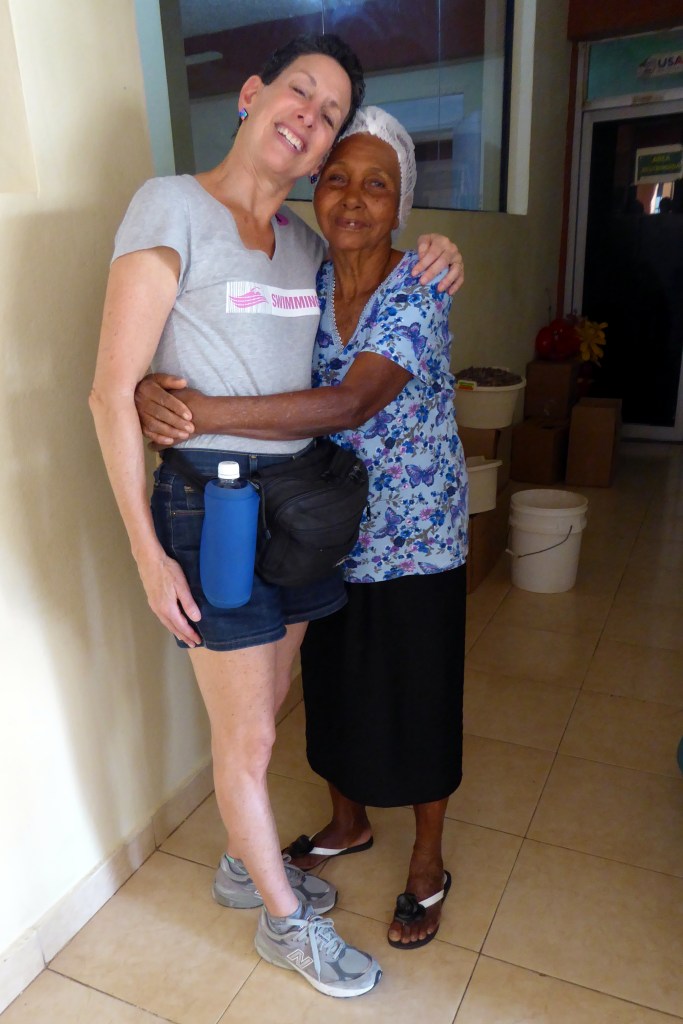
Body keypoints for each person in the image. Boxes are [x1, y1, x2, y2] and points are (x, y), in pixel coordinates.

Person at [90, 34, 462, 999]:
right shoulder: (171, 205)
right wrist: (146, 552)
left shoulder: (301, 244)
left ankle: (237, 863)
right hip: (212, 509)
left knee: (270, 708)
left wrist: (437, 244)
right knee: (250, 737)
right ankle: (284, 923)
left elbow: (337, 374)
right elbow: (109, 391)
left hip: (306, 512)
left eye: (330, 113)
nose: (310, 117)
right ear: (252, 94)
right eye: (301, 92)